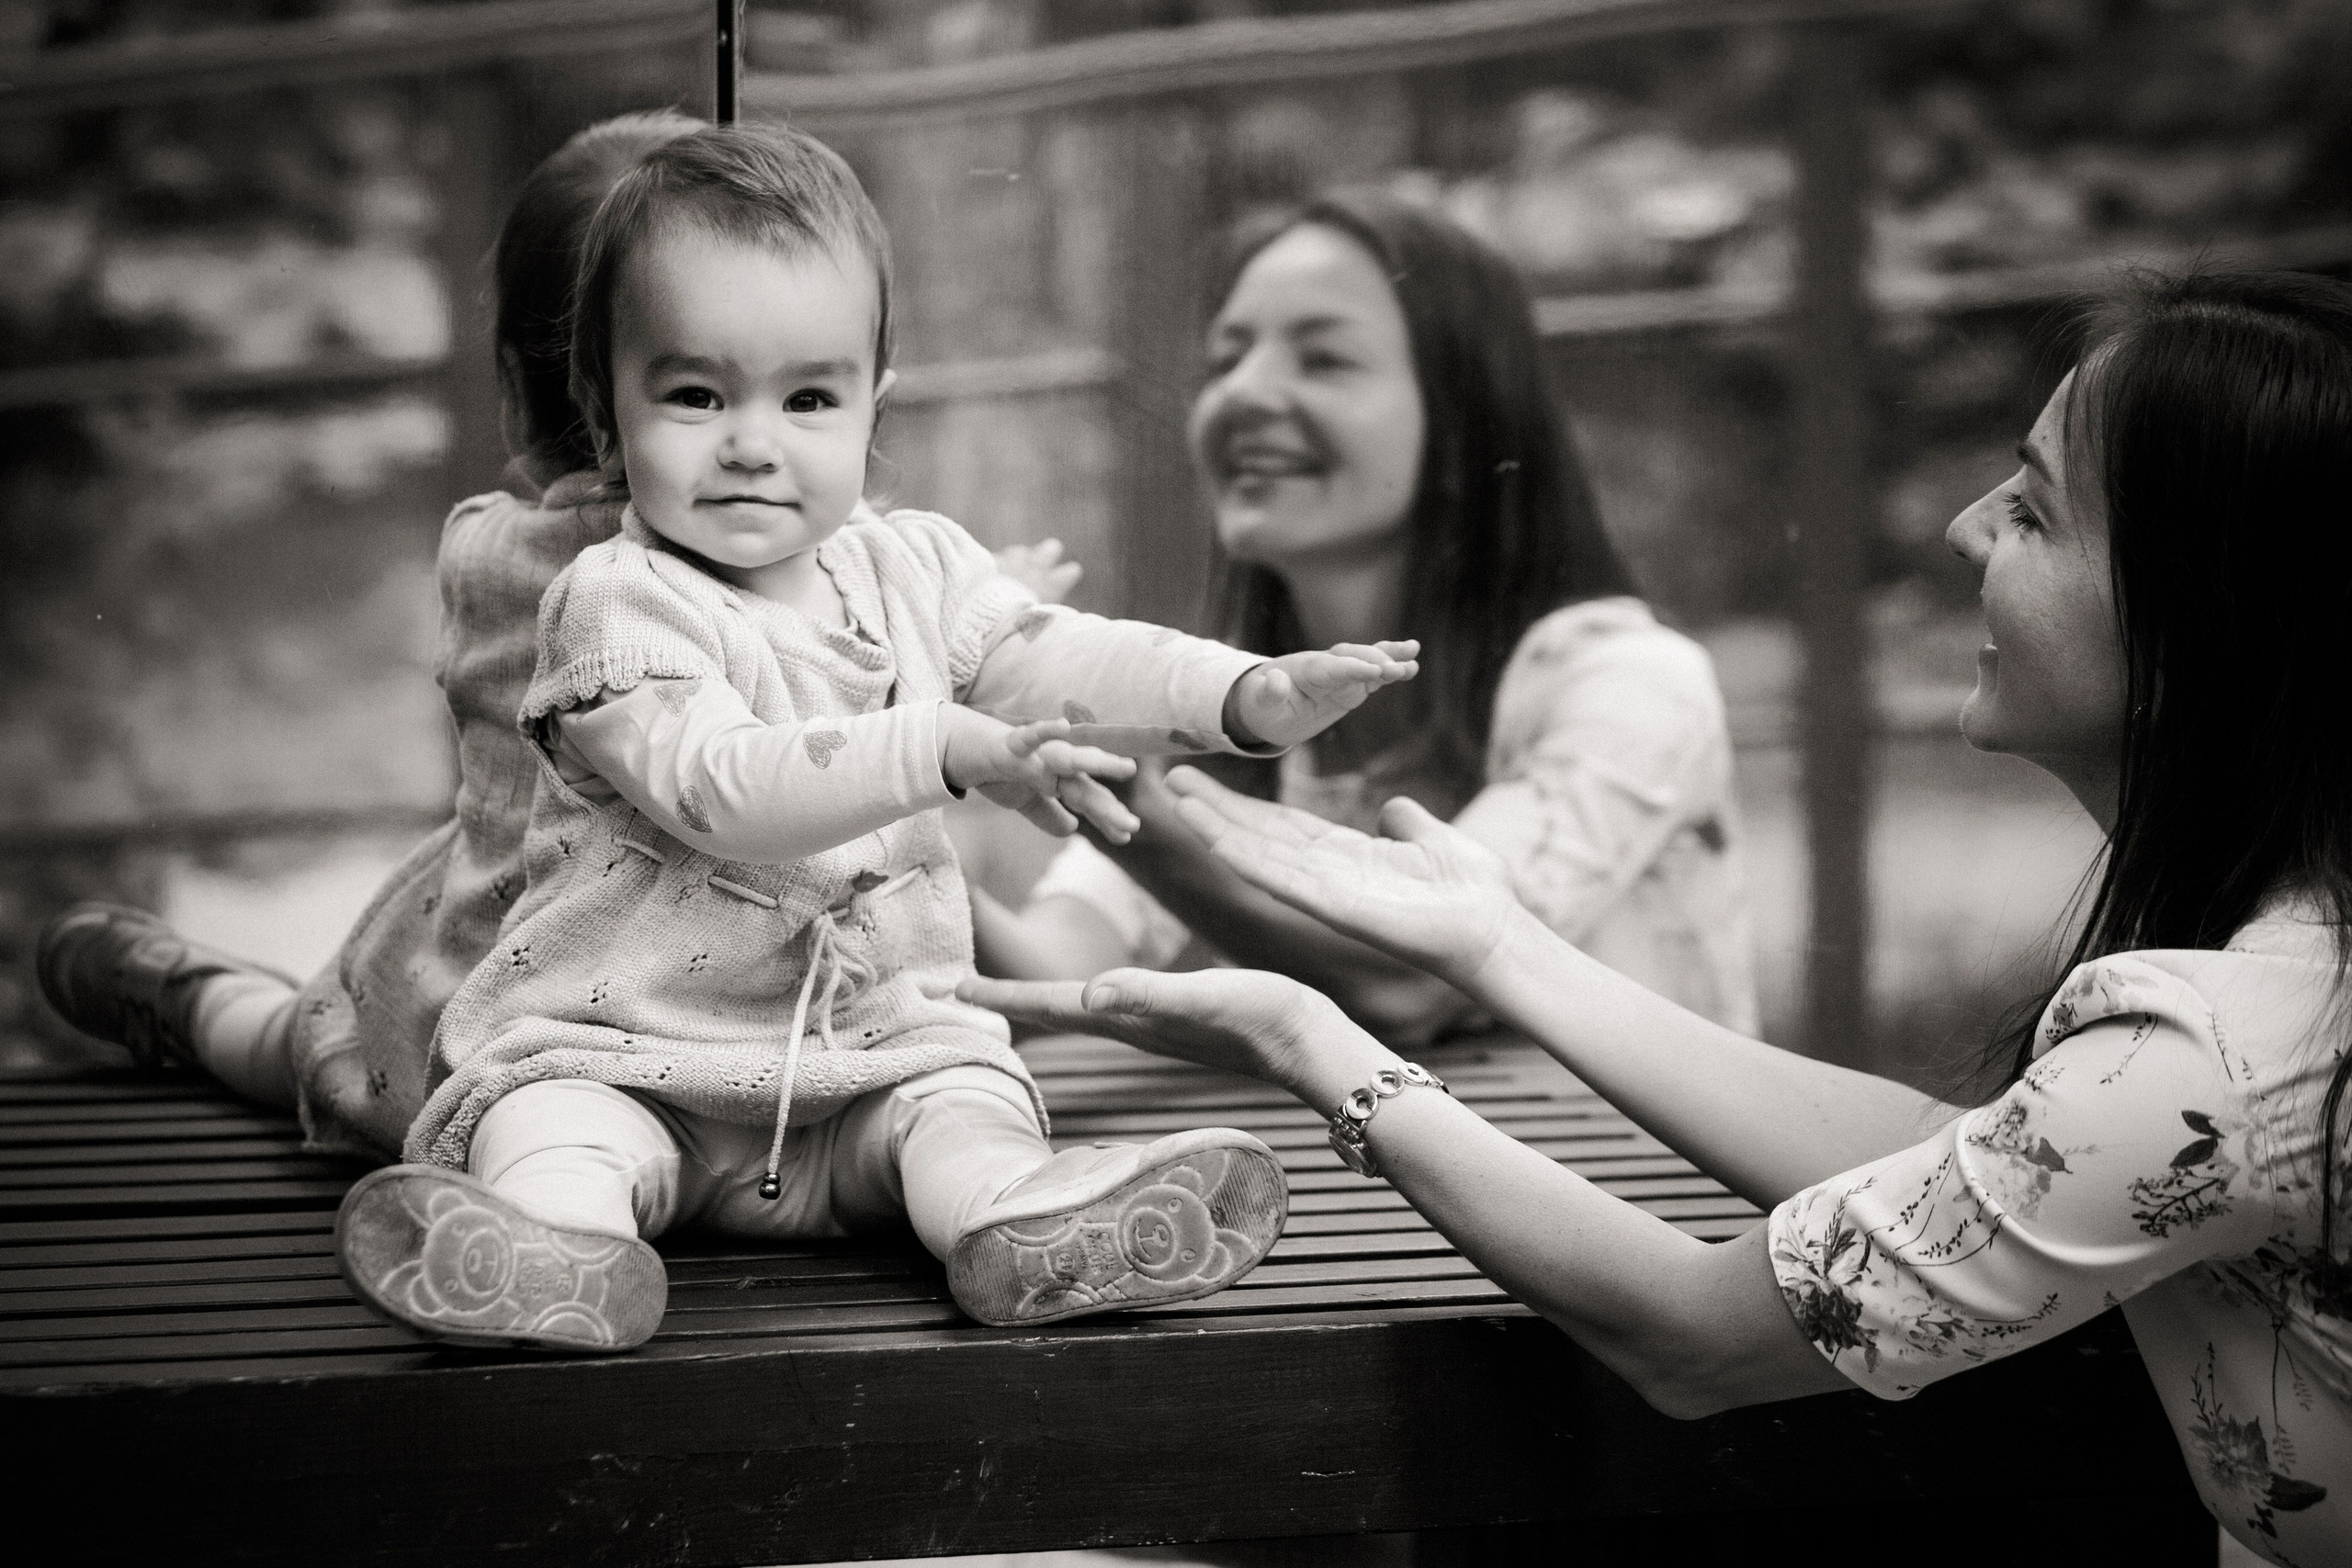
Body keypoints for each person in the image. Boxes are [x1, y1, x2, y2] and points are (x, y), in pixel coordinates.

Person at [966, 269, 2352, 1566]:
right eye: (1229, 350)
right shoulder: (2258, 1002)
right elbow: (1996, 1153)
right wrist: (1499, 940)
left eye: (2037, 510)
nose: (1965, 525)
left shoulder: (2221, 1046)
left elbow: (1698, 1334)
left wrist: (1312, 1037)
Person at [333, 121, 1424, 1353]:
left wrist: (1242, 694)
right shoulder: (612, 602)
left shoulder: (914, 569)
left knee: (968, 1097)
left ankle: (1021, 1219)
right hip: (626, 1060)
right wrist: (940, 745)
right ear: (605, 400)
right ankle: (556, 1256)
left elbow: (1061, 653)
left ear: (871, 406)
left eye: (807, 397)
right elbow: (719, 786)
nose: (753, 439)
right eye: (696, 395)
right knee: (546, 1126)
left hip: (868, 1067)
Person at [36, 108, 705, 1157]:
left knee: (323, 1039)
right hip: (515, 1030)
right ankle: (202, 999)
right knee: (317, 1053)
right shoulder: (568, 569)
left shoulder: (494, 549)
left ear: (514, 400)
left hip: (554, 1003)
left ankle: (205, 1001)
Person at [973, 192, 1757, 1045]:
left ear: (1465, 419)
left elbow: (1419, 980)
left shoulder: (1628, 682)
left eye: (1325, 358)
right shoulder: (1231, 706)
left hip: (1630, 1181)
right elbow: (1053, 973)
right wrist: (872, 789)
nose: (1246, 392)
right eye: (1226, 358)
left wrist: (1127, 808)